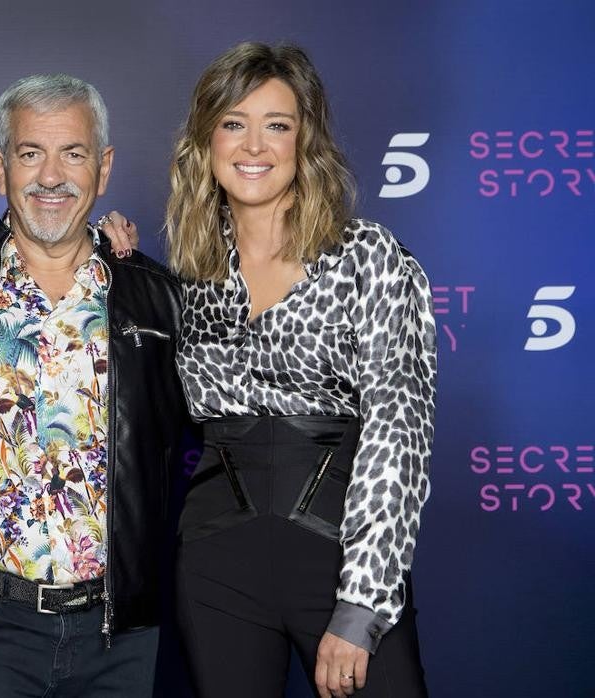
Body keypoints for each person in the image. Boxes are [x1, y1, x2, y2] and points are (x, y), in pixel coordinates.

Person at [161, 42, 435, 697]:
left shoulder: (369, 259)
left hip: (340, 564)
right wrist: (106, 252)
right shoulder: (186, 277)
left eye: (276, 125)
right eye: (233, 123)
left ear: (305, 140)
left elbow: (400, 434)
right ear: (206, 141)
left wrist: (361, 606)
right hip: (214, 568)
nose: (253, 145)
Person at [0, 74, 187, 697]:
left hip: (116, 632)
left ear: (103, 168)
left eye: (73, 153)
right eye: (29, 153)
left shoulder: (157, 297)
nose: (51, 177)